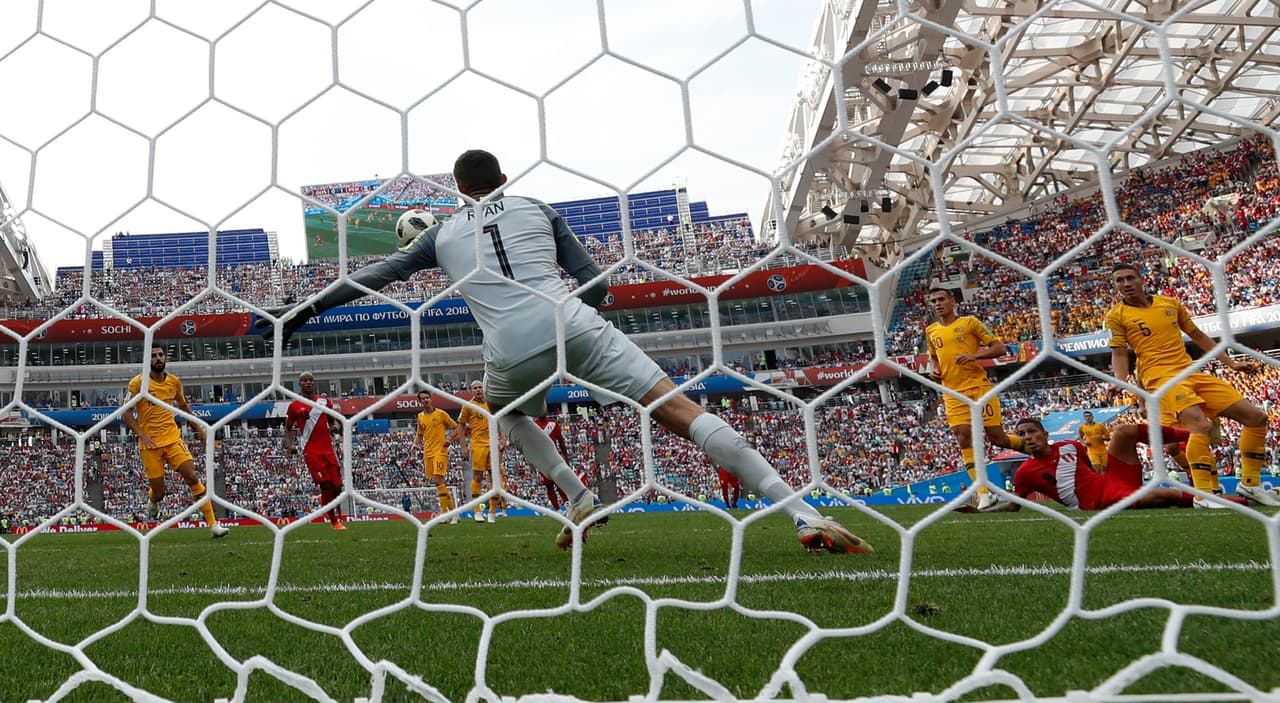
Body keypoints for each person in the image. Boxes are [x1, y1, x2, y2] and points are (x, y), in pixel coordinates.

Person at [258, 149, 868, 553]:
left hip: (511, 349)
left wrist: (300, 313)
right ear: (501, 181)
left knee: (507, 413)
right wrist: (581, 330)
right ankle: (800, 511)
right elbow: (598, 284)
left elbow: (368, 281)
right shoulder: (537, 207)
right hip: (571, 320)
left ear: (459, 190)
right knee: (677, 410)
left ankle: (578, 498)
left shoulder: (442, 234)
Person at [1106, 263, 1279, 507]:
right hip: (1160, 378)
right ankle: (1204, 495)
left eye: (1129, 278)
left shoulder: (1170, 304)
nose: (1125, 284)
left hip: (1190, 372)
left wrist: (1230, 363)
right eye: (1119, 280)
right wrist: (1120, 380)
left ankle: (1250, 485)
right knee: (1199, 426)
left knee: (1256, 417)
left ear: (1141, 279)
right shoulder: (1116, 316)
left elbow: (1198, 336)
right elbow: (1120, 353)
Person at [974, 417, 1248, 512]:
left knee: (1125, 431)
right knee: (1167, 495)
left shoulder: (1071, 446)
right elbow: (1013, 505)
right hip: (1101, 501)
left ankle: (1200, 434)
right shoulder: (1024, 473)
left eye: (1031, 432)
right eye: (1021, 435)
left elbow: (1088, 470)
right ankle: (1243, 504)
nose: (1027, 438)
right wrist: (981, 513)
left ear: (1045, 434)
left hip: (1110, 481)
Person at [924, 287, 1026, 510]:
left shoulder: (970, 323)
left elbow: (999, 348)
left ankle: (1039, 451)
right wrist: (934, 368)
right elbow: (934, 357)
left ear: (953, 301)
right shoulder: (931, 330)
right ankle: (983, 493)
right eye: (934, 301)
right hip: (952, 392)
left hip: (979, 388)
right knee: (962, 437)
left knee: (997, 439)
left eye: (942, 299)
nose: (938, 304)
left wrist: (974, 355)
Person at [120, 345, 228, 538]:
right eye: (153, 356)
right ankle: (153, 501)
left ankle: (213, 525)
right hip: (150, 445)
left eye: (160, 355)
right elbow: (125, 411)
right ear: (147, 360)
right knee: (160, 492)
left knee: (192, 477)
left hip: (172, 438)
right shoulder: (137, 384)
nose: (158, 358)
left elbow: (184, 407)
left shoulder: (173, 382)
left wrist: (199, 430)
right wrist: (141, 434)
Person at [284, 372, 347, 531]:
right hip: (311, 451)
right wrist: (290, 445)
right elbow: (288, 427)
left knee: (338, 489)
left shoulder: (324, 401)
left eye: (311, 380)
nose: (308, 383)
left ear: (314, 383)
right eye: (305, 381)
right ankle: (334, 523)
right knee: (326, 486)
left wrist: (334, 426)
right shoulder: (295, 405)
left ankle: (322, 500)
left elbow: (332, 421)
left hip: (328, 449)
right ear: (300, 384)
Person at [449, 380, 505, 523]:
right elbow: (461, 426)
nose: (478, 390)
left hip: (493, 444)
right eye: (475, 388)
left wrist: (503, 438)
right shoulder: (468, 406)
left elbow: (499, 421)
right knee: (478, 477)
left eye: (480, 387)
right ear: (471, 391)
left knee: (495, 478)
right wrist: (463, 446)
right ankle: (477, 512)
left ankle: (492, 512)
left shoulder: (492, 403)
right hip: (478, 445)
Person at [415, 390, 459, 523]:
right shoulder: (420, 417)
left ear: (431, 399)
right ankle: (454, 515)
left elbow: (457, 427)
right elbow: (420, 433)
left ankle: (444, 515)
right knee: (439, 483)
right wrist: (415, 444)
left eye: (427, 397)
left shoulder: (441, 414)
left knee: (438, 480)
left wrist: (449, 438)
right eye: (423, 398)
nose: (426, 400)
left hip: (440, 451)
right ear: (420, 401)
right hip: (427, 452)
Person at [533, 415, 570, 511]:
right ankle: (557, 509)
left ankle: (567, 505)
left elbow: (561, 441)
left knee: (560, 483)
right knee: (549, 485)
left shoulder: (553, 423)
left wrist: (566, 457)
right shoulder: (534, 425)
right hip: (541, 460)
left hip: (554, 457)